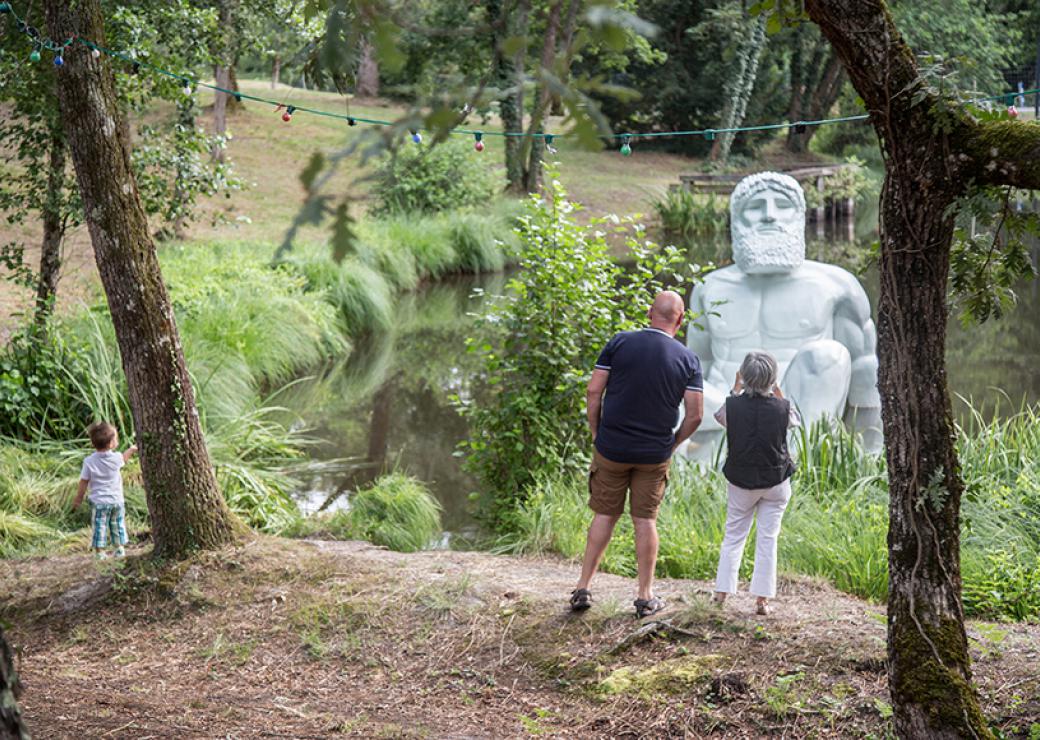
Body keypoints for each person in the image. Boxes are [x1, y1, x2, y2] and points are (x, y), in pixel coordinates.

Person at [686, 171, 880, 449]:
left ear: (799, 216)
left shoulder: (836, 285)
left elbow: (864, 369)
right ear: (736, 219)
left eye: (783, 206)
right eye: (755, 207)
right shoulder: (710, 286)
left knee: (828, 355)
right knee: (659, 370)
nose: (769, 216)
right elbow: (696, 366)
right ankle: (690, 464)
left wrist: (871, 449)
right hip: (726, 413)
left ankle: (803, 465)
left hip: (797, 418)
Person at [570, 290, 704, 619]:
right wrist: (673, 442)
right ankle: (645, 597)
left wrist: (596, 431)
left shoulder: (619, 342)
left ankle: (583, 587)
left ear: (649, 312)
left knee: (604, 515)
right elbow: (695, 414)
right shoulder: (688, 359)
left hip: (611, 448)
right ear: (680, 320)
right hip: (653, 453)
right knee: (645, 520)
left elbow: (593, 390)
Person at [712, 351, 800, 615]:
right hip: (776, 480)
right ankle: (762, 599)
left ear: (744, 376)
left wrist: (735, 388)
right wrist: (778, 390)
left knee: (733, 536)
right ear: (773, 379)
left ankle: (721, 594)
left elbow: (720, 417)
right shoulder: (782, 408)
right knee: (768, 538)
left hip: (741, 481)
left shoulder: (733, 406)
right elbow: (794, 420)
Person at [72, 422, 137, 559]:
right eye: (116, 438)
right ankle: (119, 549)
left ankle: (100, 552)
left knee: (99, 526)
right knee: (117, 524)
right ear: (111, 444)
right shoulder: (116, 458)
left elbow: (84, 481)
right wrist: (132, 449)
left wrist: (78, 499)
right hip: (117, 501)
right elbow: (124, 458)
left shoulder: (89, 461)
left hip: (99, 501)